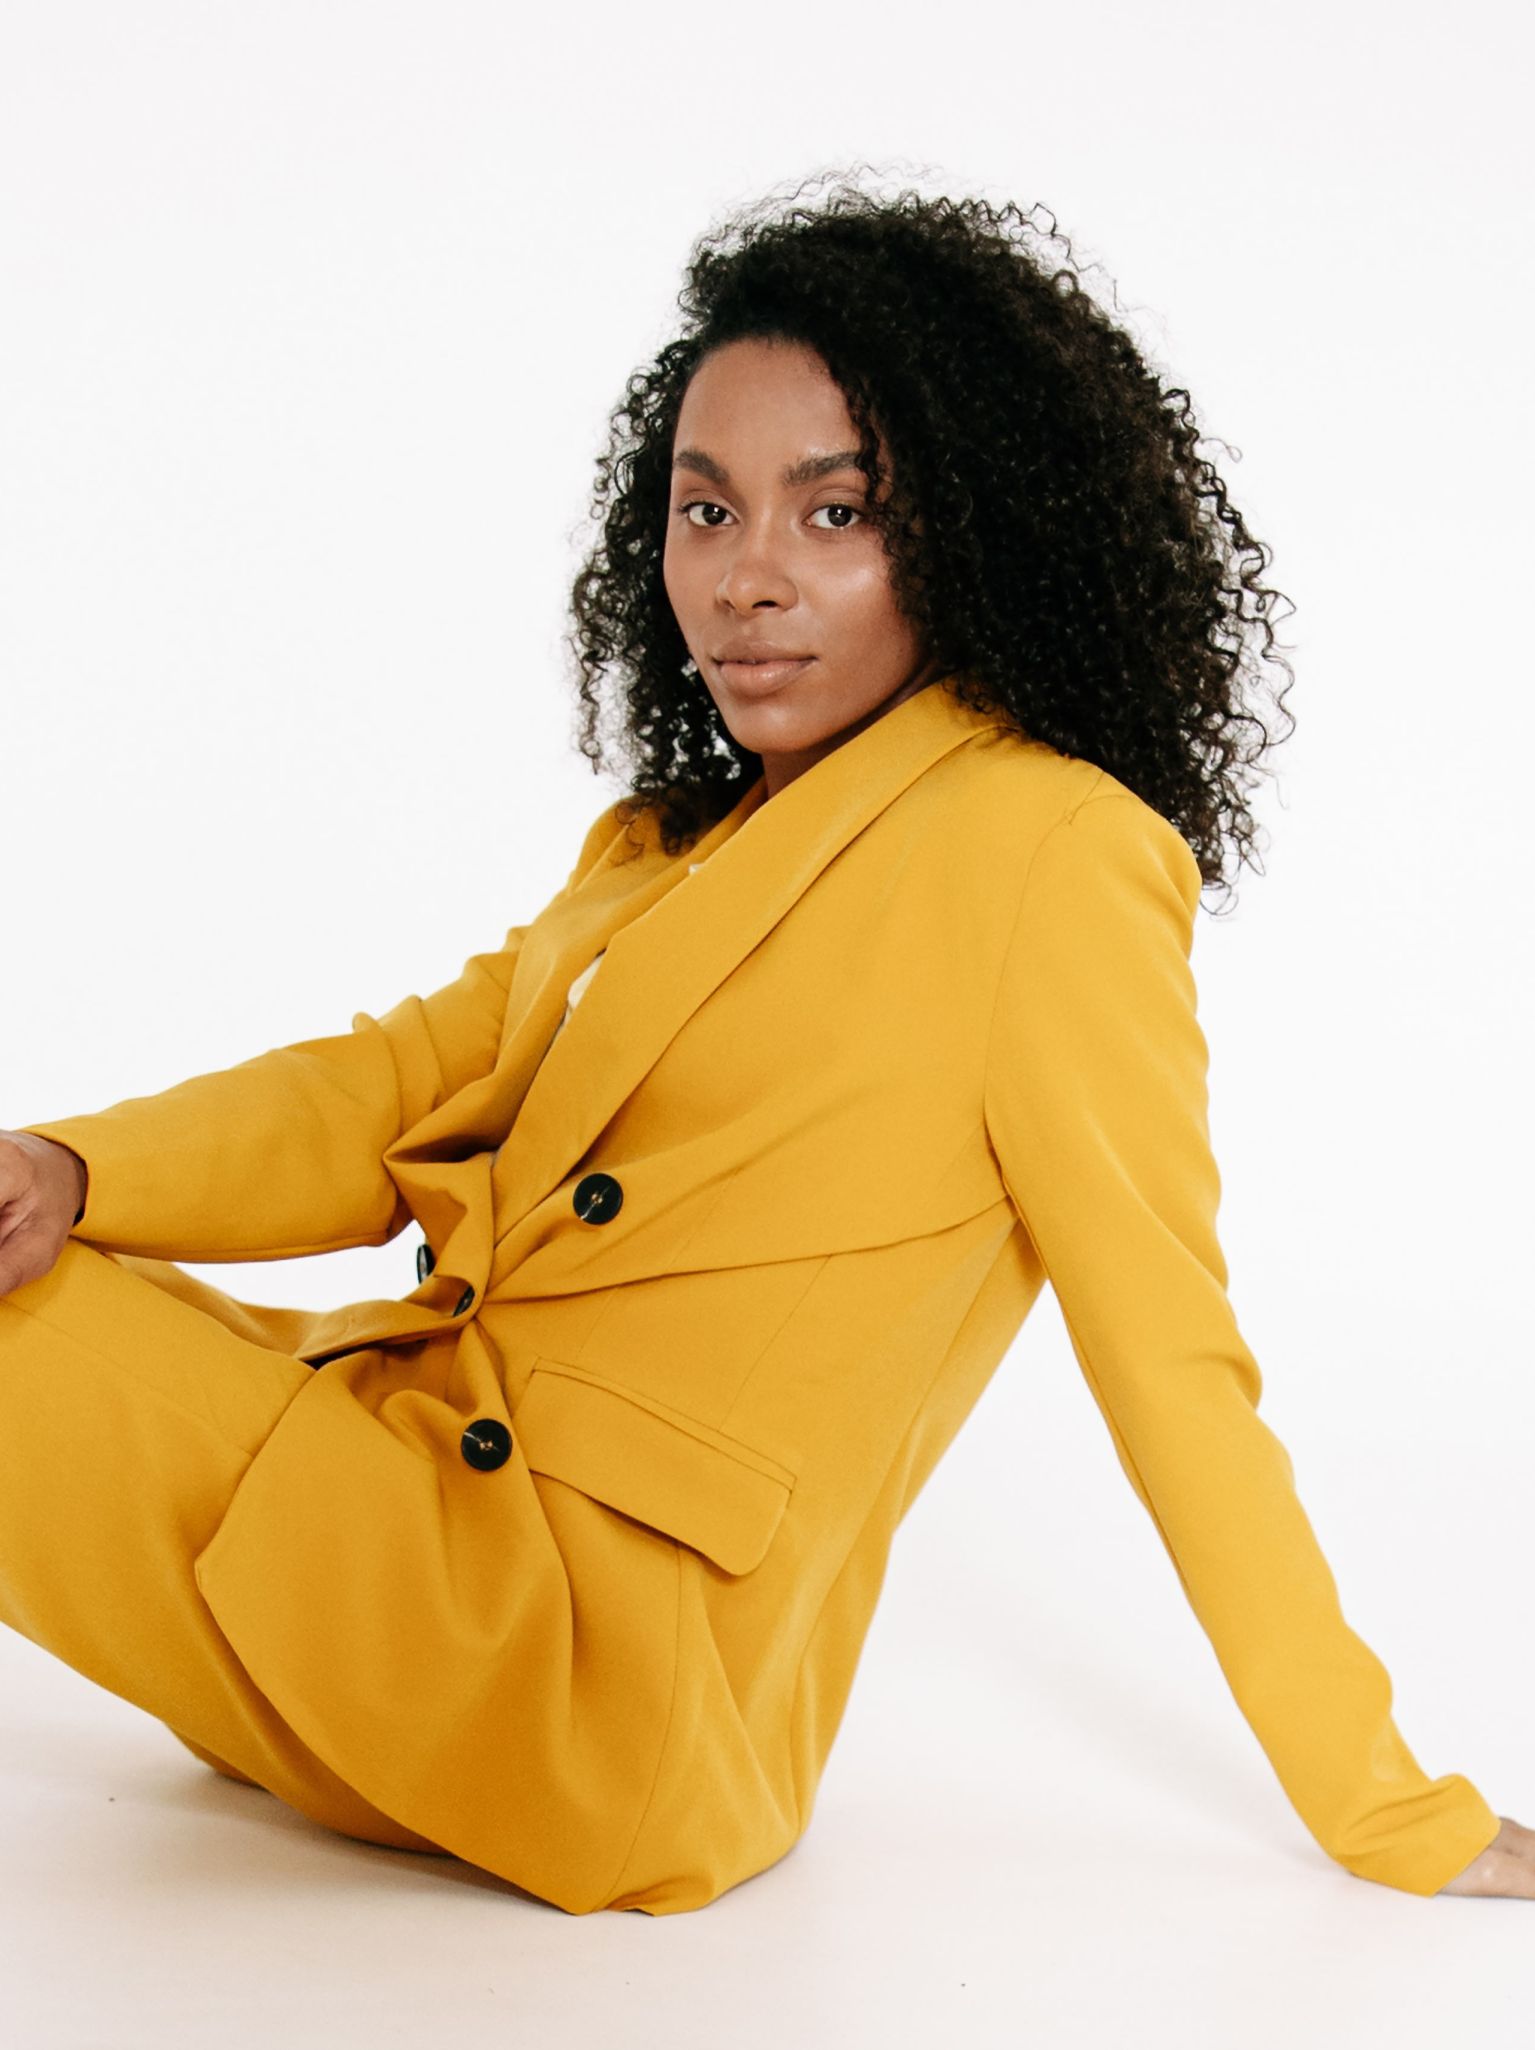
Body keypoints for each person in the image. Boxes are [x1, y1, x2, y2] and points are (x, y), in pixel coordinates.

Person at [0, 171, 1527, 1914]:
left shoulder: (1050, 854)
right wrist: (71, 1167)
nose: (748, 581)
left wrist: (1387, 1804)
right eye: (708, 511)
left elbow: (1172, 1362)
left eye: (836, 511)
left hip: (587, 1673)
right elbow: (398, 1084)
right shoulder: (665, 848)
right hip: (409, 1532)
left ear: (973, 533)